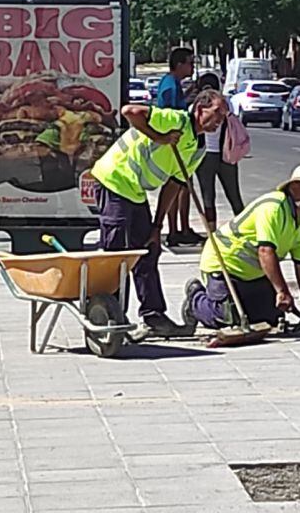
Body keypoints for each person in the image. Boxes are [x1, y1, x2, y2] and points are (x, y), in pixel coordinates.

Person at [91, 89, 228, 336]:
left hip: (134, 191)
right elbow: (130, 112)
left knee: (148, 250)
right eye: (217, 113)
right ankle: (111, 317)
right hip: (114, 179)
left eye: (224, 116)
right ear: (199, 109)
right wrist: (159, 137)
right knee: (115, 254)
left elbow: (174, 185)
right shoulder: (175, 120)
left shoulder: (198, 149)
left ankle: (153, 316)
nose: (220, 120)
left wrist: (157, 226)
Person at [183, 164, 300, 330]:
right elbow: (265, 251)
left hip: (254, 275)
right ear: (294, 186)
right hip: (225, 264)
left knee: (271, 317)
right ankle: (195, 299)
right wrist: (282, 291)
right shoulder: (273, 208)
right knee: (226, 318)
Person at [155, 47, 204, 246]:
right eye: (190, 63)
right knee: (178, 187)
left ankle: (180, 228)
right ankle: (175, 229)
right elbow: (171, 115)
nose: (192, 67)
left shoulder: (173, 84)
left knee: (181, 187)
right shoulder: (170, 86)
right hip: (176, 144)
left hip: (178, 143)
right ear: (179, 64)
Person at [193, 72, 245, 226]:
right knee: (234, 195)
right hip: (226, 154)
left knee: (208, 197)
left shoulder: (197, 106)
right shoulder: (225, 104)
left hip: (204, 155)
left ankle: (212, 232)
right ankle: (245, 228)